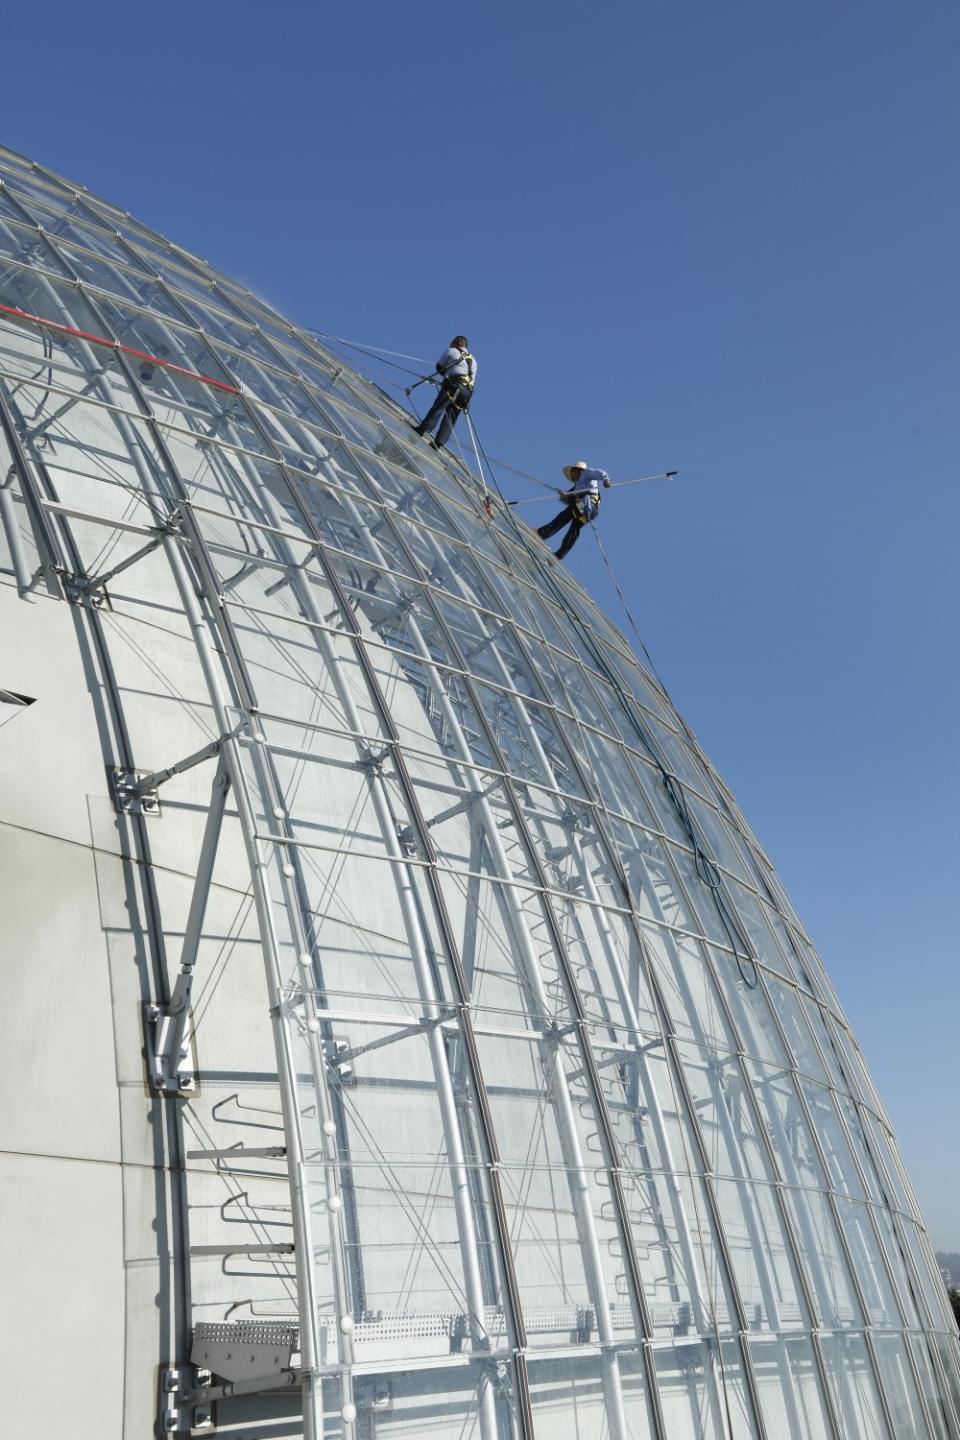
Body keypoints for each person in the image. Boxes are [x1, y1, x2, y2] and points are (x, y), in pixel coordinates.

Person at [537, 461, 611, 559]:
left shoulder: (586, 473)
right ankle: (560, 554)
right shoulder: (577, 487)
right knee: (574, 527)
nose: (572, 475)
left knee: (566, 516)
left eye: (573, 472)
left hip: (587, 506)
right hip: (584, 509)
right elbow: (569, 498)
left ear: (578, 470)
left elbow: (599, 472)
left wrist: (605, 479)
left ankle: (543, 533)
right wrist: (564, 495)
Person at [414, 335, 477, 449]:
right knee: (451, 417)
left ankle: (423, 428)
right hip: (466, 393)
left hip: (454, 385)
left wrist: (446, 376)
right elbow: (471, 378)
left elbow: (439, 367)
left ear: (457, 343)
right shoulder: (473, 361)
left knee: (439, 407)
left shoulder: (452, 351)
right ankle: (438, 443)